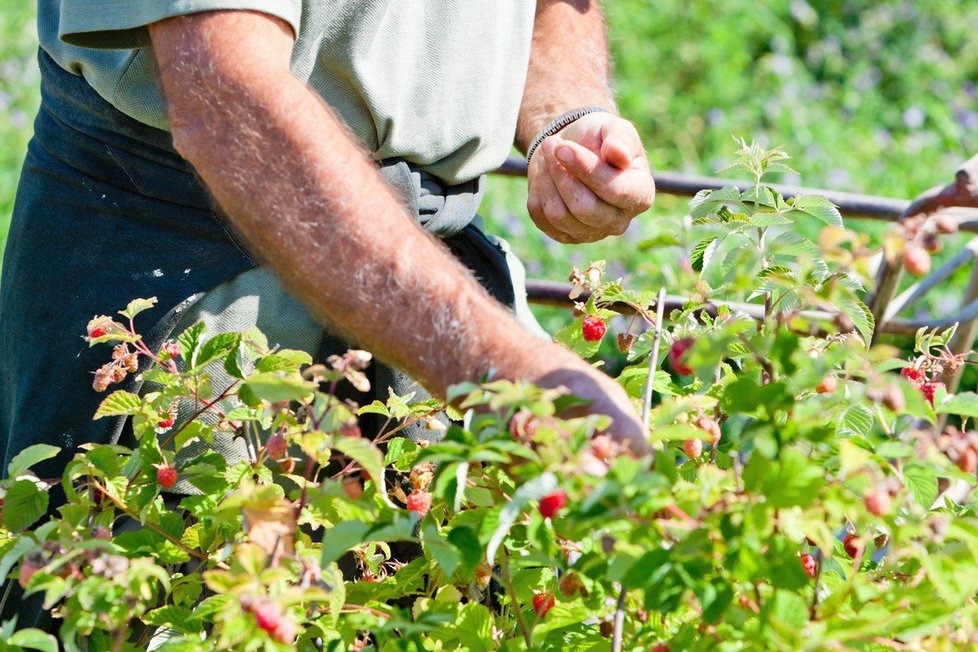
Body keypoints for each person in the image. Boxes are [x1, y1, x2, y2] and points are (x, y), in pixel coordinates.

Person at [0, 2, 653, 495]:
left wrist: (567, 114)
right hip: (206, 303)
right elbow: (229, 99)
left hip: (423, 294)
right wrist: (498, 366)